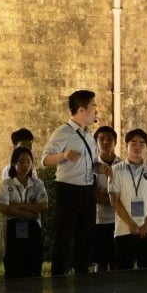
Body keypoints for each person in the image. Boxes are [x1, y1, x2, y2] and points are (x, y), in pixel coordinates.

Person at [41, 89, 109, 275]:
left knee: (85, 235)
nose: (96, 110)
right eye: (93, 106)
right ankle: (58, 276)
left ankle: (82, 275)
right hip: (69, 189)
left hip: (88, 189)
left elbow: (91, 163)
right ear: (81, 109)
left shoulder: (89, 134)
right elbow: (45, 160)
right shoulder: (63, 132)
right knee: (64, 235)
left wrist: (100, 168)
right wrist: (64, 155)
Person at [109, 129, 147, 269]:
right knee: (123, 274)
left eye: (142, 143)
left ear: (146, 147)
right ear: (126, 145)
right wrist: (131, 224)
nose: (137, 147)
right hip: (124, 229)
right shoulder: (116, 170)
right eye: (133, 143)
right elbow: (115, 201)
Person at [0, 146, 48, 278]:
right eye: (21, 161)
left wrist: (17, 206)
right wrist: (27, 213)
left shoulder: (37, 184)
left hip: (33, 227)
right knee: (14, 264)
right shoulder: (6, 184)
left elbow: (42, 205)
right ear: (14, 163)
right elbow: (3, 208)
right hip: (13, 227)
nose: (25, 165)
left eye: (28, 161)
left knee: (33, 263)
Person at [92, 126, 121, 272]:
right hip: (100, 221)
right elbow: (93, 196)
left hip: (120, 220)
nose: (105, 142)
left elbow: (125, 194)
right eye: (101, 139)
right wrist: (113, 196)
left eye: (109, 139)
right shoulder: (91, 167)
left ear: (115, 142)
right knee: (100, 262)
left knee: (117, 262)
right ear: (96, 142)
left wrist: (104, 192)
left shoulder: (123, 165)